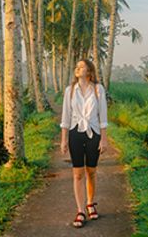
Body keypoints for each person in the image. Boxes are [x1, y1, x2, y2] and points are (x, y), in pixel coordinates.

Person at [60, 59, 108, 228]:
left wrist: (104, 139)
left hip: (93, 133)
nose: (78, 68)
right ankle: (80, 210)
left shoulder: (98, 89)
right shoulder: (70, 91)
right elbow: (65, 117)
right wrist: (64, 139)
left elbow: (103, 117)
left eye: (82, 67)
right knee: (78, 173)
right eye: (77, 66)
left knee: (91, 171)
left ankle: (90, 203)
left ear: (89, 71)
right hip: (75, 133)